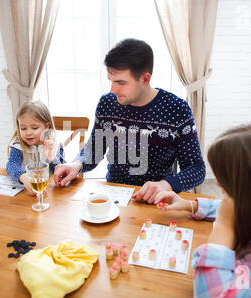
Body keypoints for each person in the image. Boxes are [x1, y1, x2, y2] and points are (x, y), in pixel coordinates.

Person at [155, 121, 251, 298]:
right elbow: (235, 208)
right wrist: (192, 205)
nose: (218, 184)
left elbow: (214, 297)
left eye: (224, 177)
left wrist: (223, 229)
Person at [53, 38, 205, 201]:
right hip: (115, 196)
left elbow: (196, 169)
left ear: (145, 79)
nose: (113, 89)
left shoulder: (177, 109)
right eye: (111, 81)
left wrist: (167, 184)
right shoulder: (107, 103)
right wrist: (76, 164)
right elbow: (94, 150)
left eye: (121, 82)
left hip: (156, 199)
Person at [6, 100, 65, 196]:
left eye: (34, 128)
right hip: (25, 193)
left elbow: (61, 172)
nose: (28, 132)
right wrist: (23, 177)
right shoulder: (18, 144)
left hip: (50, 193)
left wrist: (52, 158)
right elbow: (11, 165)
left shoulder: (54, 143)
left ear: (46, 127)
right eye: (23, 128)